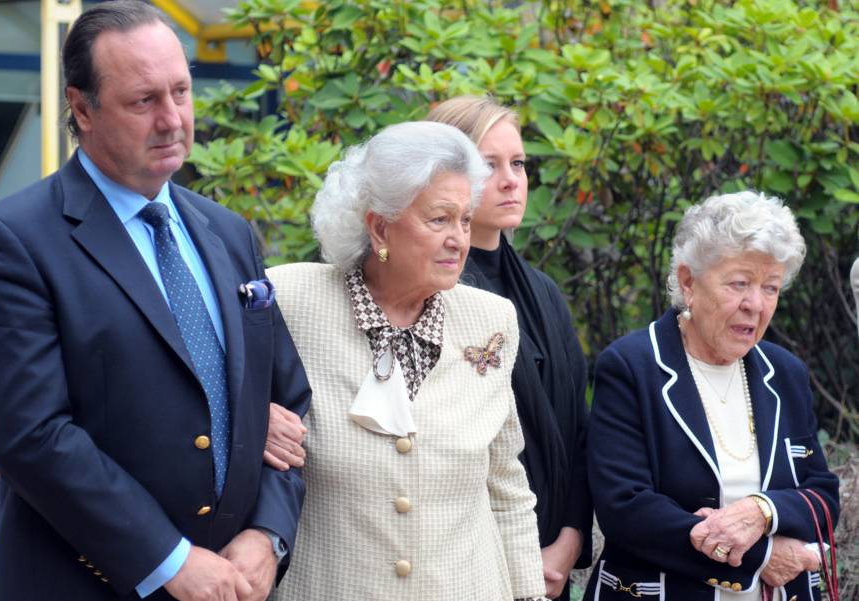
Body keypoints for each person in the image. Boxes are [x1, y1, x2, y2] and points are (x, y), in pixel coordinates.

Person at [0, 2, 310, 600]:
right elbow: (33, 438)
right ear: (82, 108)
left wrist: (268, 534)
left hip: (234, 582)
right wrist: (169, 562)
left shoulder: (228, 233)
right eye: (144, 101)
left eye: (181, 92)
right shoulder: (12, 241)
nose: (172, 119)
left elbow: (288, 402)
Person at [266, 121, 547, 600]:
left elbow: (506, 486)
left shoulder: (491, 321)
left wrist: (529, 595)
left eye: (464, 219)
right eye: (439, 219)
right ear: (379, 225)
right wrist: (251, 418)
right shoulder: (290, 300)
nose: (459, 239)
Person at [585, 191, 839, 600]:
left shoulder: (786, 373)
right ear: (688, 282)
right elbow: (625, 509)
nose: (755, 304)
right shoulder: (632, 366)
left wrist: (761, 511)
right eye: (739, 283)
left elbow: (823, 495)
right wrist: (760, 555)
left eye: (770, 288)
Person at [426, 95, 592, 601]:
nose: (510, 179)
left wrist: (570, 537)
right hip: (465, 556)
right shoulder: (432, 291)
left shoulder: (543, 292)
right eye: (488, 165)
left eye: (517, 163)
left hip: (552, 558)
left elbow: (579, 429)